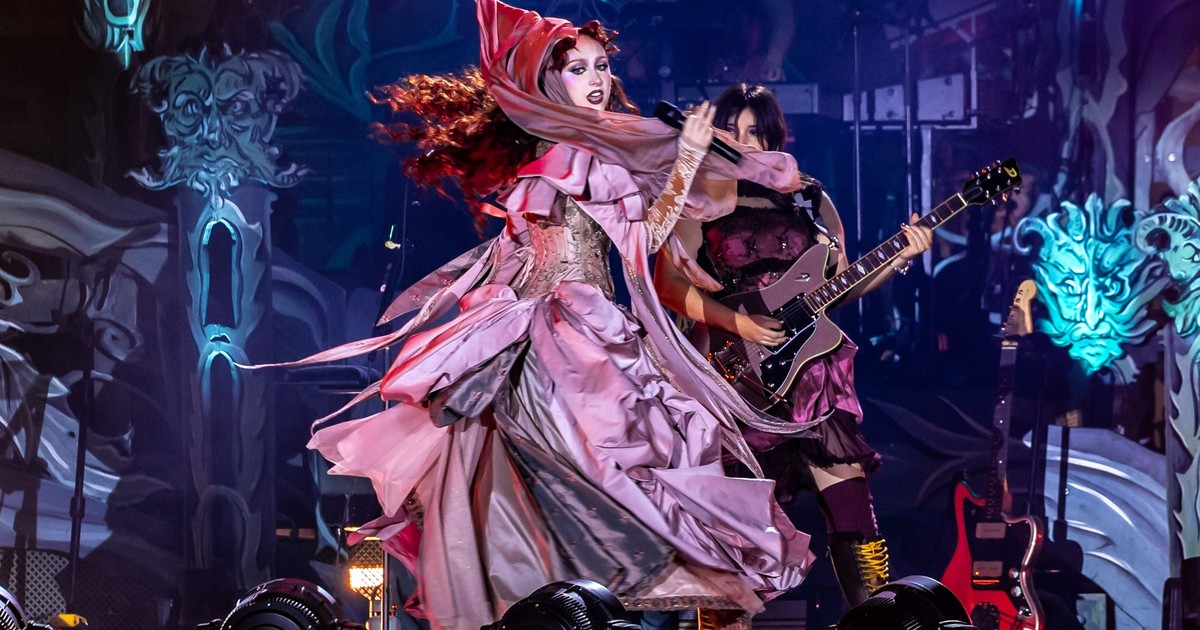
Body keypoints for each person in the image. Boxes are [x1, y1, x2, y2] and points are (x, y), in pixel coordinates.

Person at [258, 5, 826, 630]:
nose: (597, 79)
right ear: (549, 82)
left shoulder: (566, 151)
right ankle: (585, 606)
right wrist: (686, 157)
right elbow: (643, 236)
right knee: (596, 476)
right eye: (578, 69)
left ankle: (582, 604)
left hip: (571, 331)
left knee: (591, 479)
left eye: (602, 66)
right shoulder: (572, 154)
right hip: (562, 336)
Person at [652, 84, 933, 608]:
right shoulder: (698, 195)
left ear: (774, 136)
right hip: (734, 376)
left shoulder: (809, 197)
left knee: (853, 510)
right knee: (732, 529)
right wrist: (738, 323)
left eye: (754, 132)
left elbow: (840, 285)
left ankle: (876, 620)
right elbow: (669, 287)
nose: (743, 141)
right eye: (730, 130)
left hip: (812, 374)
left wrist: (899, 259)